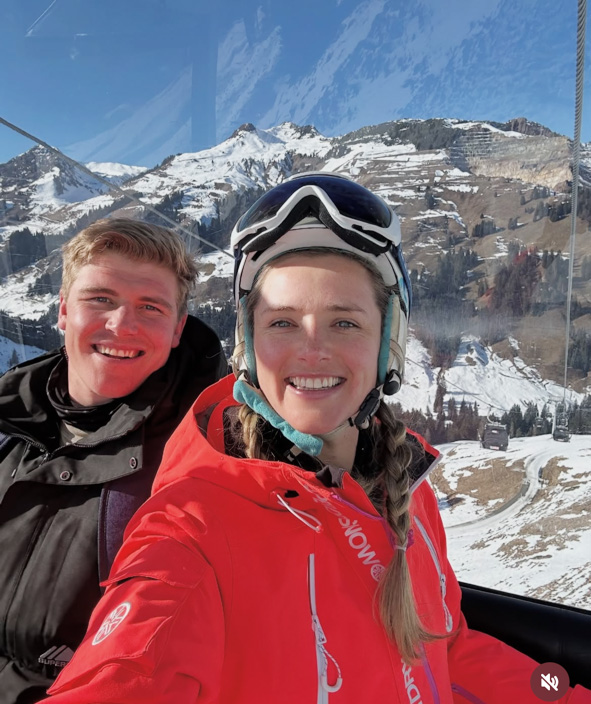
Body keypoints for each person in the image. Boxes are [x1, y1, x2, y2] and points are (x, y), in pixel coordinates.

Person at [45, 177, 590, 703]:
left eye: (344, 323)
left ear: (387, 341)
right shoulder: (194, 527)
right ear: (249, 344)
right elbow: (127, 673)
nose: (311, 351)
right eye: (282, 323)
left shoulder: (407, 491)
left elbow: (446, 652)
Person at [0, 218, 227, 703]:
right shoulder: (8, 429)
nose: (122, 325)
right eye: (100, 299)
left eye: (151, 307)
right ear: (63, 310)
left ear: (177, 329)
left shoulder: (203, 465)